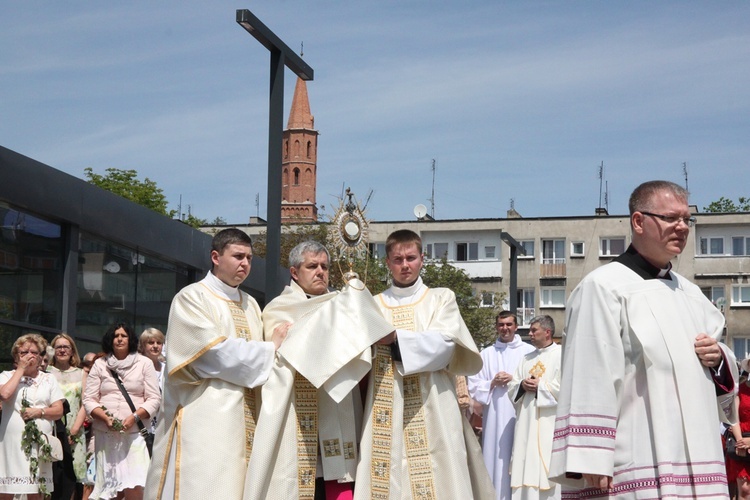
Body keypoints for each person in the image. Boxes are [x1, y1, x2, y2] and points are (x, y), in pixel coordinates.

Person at [549, 180, 737, 498]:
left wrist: (718, 358)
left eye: (686, 220)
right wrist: (590, 455)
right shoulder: (604, 287)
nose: (681, 227)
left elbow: (719, 366)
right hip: (637, 452)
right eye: (670, 218)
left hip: (697, 453)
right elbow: (588, 371)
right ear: (639, 221)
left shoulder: (691, 294)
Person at [243, 241, 393, 500]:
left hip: (337, 407)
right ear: (294, 272)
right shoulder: (278, 308)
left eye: (324, 266)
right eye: (312, 266)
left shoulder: (339, 304)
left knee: (338, 486)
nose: (320, 272)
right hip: (297, 414)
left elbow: (374, 339)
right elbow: (292, 348)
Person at [145, 228, 285, 500]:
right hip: (206, 418)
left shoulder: (252, 305)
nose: (245, 264)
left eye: (249, 258)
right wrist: (271, 348)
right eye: (238, 256)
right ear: (216, 257)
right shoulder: (192, 298)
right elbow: (213, 355)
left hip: (246, 419)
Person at [354, 229, 495, 499]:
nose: (405, 265)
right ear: (387, 262)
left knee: (441, 472)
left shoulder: (441, 298)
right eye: (397, 259)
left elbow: (445, 345)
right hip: (387, 404)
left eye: (410, 258)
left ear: (422, 258)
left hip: (434, 403)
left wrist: (395, 338)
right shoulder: (373, 304)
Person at [83, 323, 161, 500]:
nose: (119, 339)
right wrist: (104, 417)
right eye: (115, 335)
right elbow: (88, 399)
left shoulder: (144, 363)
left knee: (134, 484)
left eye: (123, 335)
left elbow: (154, 399)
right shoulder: (100, 364)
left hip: (134, 435)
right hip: (106, 433)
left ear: (130, 339)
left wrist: (134, 417)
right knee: (111, 487)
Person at [468, 311, 535, 499]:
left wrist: (514, 379)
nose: (504, 328)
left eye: (508, 324)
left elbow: (536, 379)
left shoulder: (528, 352)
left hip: (520, 413)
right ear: (496, 327)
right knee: (495, 457)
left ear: (516, 326)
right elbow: (473, 384)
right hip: (495, 415)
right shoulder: (486, 354)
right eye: (501, 325)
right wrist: (491, 383)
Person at [0, 333, 65, 500]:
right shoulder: (7, 376)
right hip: (12, 443)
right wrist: (20, 369)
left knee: (35, 489)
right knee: (7, 488)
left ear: (40, 357)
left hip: (39, 443)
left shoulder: (49, 379)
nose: (29, 355)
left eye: (34, 352)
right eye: (24, 352)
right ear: (16, 356)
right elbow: (5, 394)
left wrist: (40, 411)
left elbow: (59, 410)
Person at [507, 315, 561, 500]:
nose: (529, 334)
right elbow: (512, 386)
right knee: (524, 462)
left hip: (549, 422)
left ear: (547, 332)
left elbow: (566, 388)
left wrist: (541, 386)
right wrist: (522, 385)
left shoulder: (562, 355)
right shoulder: (526, 358)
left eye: (533, 330)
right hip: (526, 422)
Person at [48, 333, 88, 499]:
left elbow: (84, 403)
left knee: (72, 479)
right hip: (51, 431)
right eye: (58, 347)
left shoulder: (82, 373)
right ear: (53, 351)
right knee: (50, 477)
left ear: (72, 351)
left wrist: (74, 430)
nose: (62, 350)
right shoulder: (46, 372)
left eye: (66, 347)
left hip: (75, 432)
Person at [726, 357, 750, 500]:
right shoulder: (740, 390)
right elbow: (734, 418)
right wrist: (741, 441)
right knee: (744, 490)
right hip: (740, 444)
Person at [138, 328, 165, 434]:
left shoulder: (166, 369)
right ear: (143, 346)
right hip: (144, 423)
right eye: (151, 342)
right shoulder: (137, 368)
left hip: (163, 423)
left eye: (159, 343)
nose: (155, 346)